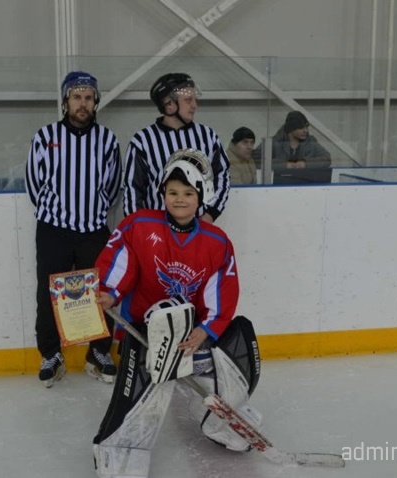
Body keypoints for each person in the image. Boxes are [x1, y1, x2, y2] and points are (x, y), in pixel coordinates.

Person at [92, 149, 261, 478]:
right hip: (144, 333)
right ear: (162, 195)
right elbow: (118, 264)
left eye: (188, 193)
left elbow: (221, 293)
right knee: (145, 394)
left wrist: (208, 331)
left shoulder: (217, 243)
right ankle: (122, 448)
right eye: (172, 192)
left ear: (201, 196)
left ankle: (225, 424)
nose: (179, 200)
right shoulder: (139, 225)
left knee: (224, 361)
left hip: (191, 334)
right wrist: (109, 293)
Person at [25, 71, 122, 388]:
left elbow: (111, 187)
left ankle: (98, 352)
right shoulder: (45, 136)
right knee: (48, 291)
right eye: (77, 97)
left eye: (89, 98)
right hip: (53, 229)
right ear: (66, 101)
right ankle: (51, 354)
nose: (83, 103)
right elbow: (34, 184)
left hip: (93, 229)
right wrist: (58, 212)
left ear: (96, 102)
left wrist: (88, 212)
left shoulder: (107, 140)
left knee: (98, 291)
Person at [123, 73, 231, 223]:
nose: (195, 105)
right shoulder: (142, 141)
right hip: (158, 229)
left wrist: (210, 214)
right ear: (169, 105)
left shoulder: (208, 136)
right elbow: (133, 190)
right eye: (188, 100)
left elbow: (222, 175)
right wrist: (139, 227)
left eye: (194, 99)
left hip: (197, 228)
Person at [260, 110, 331, 169]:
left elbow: (327, 159)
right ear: (291, 128)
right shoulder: (273, 143)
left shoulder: (311, 143)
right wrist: (284, 165)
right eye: (301, 127)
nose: (306, 130)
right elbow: (256, 161)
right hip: (279, 184)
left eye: (306, 127)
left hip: (304, 183)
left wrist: (305, 163)